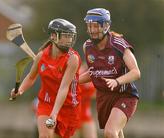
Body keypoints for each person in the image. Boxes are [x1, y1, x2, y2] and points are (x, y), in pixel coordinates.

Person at [10, 18, 82, 138]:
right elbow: (31, 77)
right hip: (46, 103)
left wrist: (55, 113)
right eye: (65, 36)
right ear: (53, 36)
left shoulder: (72, 59)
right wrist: (20, 90)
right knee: (45, 136)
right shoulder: (41, 56)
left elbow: (64, 88)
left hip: (68, 107)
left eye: (71, 36)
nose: (69, 40)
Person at [79, 8, 141, 138]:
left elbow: (136, 72)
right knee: (115, 133)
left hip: (124, 95)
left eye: (96, 26)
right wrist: (73, 80)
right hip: (104, 97)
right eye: (90, 26)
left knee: (110, 132)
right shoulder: (87, 46)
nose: (92, 30)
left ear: (106, 26)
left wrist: (117, 81)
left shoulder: (119, 45)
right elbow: (93, 73)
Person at [72, 63, 97, 138]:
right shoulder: (78, 72)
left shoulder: (96, 73)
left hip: (85, 114)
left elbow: (95, 95)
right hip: (73, 114)